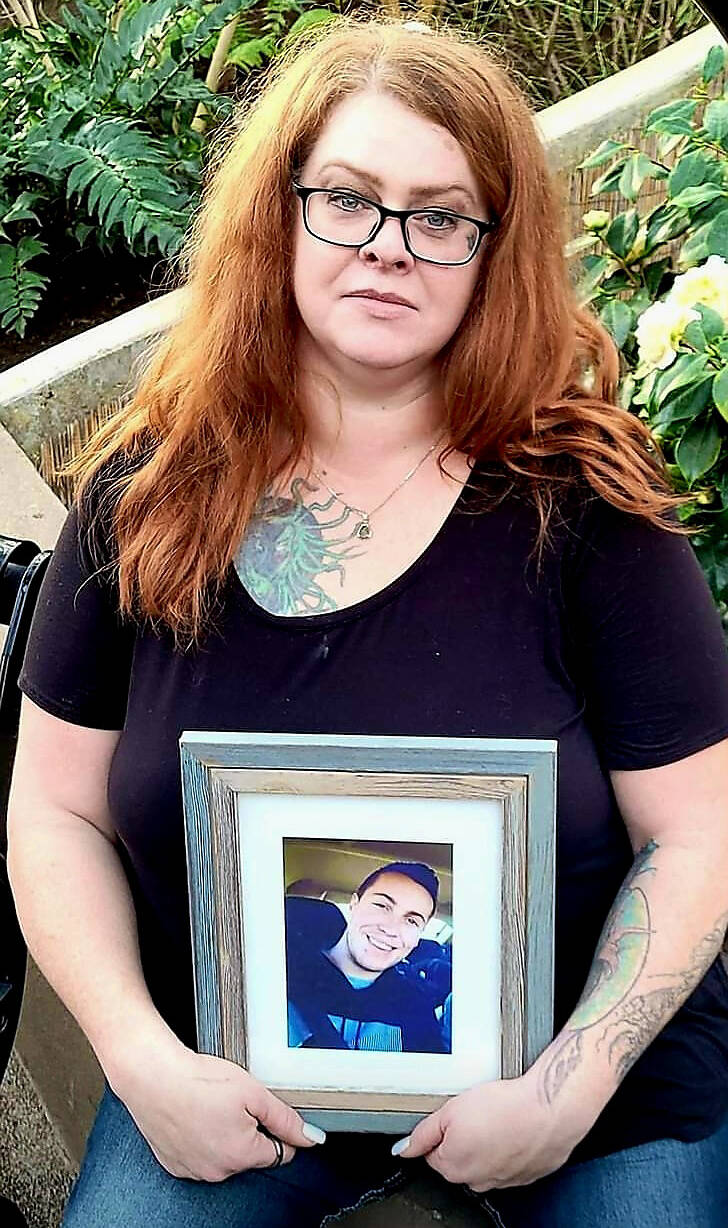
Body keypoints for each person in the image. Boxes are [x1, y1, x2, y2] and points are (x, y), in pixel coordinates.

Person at [6, 14, 728, 1228]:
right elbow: (52, 808)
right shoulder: (146, 489)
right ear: (275, 215)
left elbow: (699, 836)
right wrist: (140, 1059)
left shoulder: (586, 506)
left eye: (441, 216)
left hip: (583, 1085)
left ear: (494, 250)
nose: (390, 246)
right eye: (345, 197)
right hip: (227, 1073)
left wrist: (565, 1088)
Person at [285, 861, 449, 1053]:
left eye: (411, 920)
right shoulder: (283, 975)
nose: (390, 929)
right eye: (381, 905)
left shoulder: (416, 1009)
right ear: (354, 905)